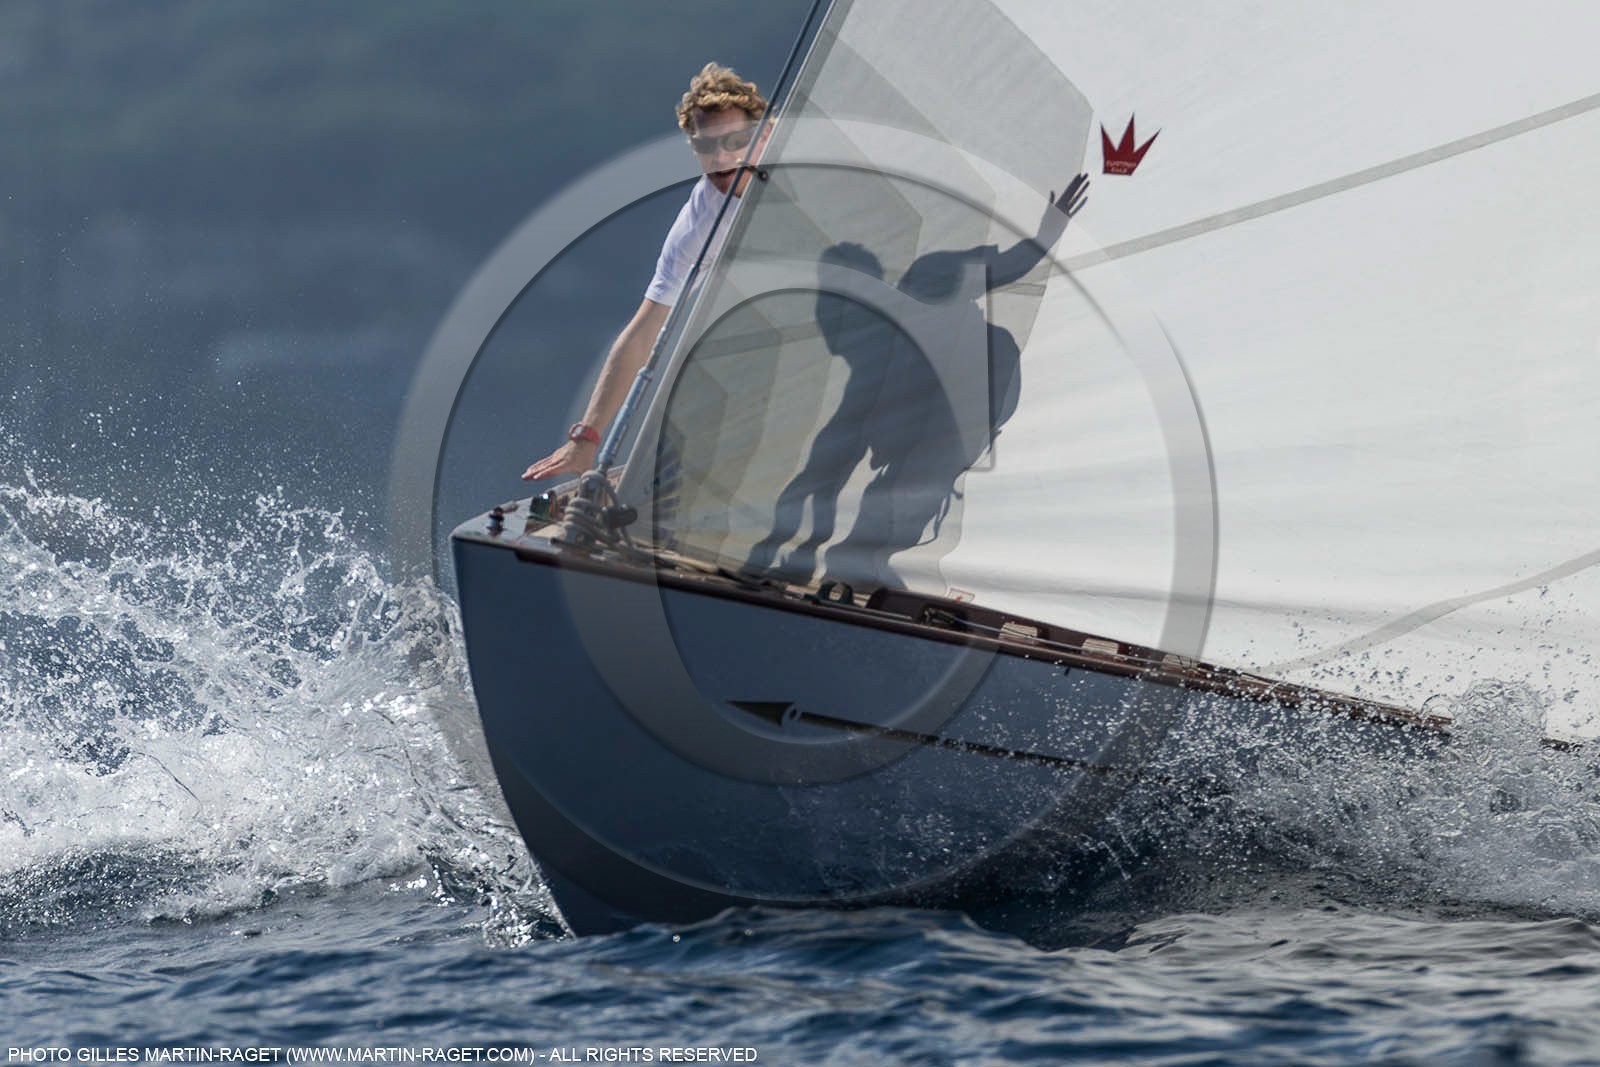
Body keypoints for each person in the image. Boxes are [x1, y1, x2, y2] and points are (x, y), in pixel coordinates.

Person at [520, 63, 770, 482]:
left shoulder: (813, 165)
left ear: (765, 136)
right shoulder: (699, 223)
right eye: (708, 146)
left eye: (737, 141)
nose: (723, 156)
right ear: (694, 150)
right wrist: (586, 438)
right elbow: (646, 328)